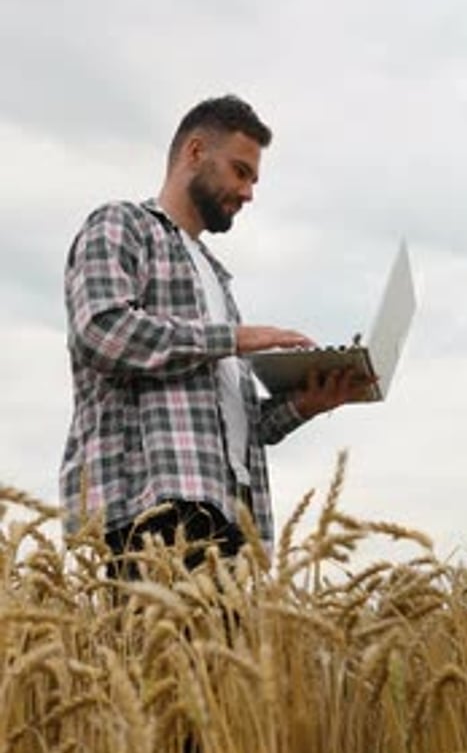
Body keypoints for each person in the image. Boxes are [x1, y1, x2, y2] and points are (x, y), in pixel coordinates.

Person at [60, 95, 370, 574]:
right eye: (240, 171)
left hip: (230, 517)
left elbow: (237, 427)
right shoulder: (122, 225)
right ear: (196, 151)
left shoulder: (217, 279)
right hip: (153, 507)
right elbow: (101, 331)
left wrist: (309, 402)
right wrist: (234, 338)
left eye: (253, 179)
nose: (248, 193)